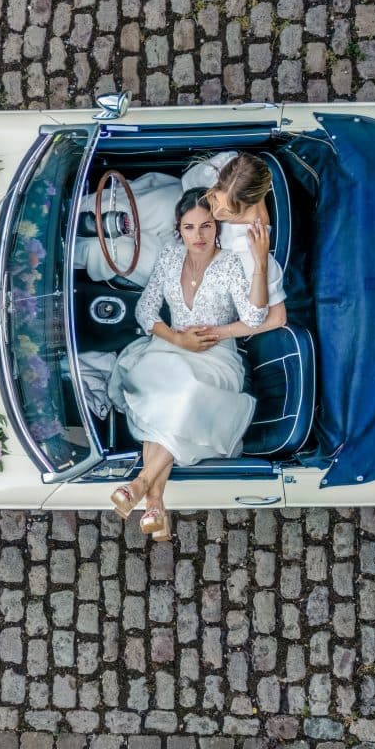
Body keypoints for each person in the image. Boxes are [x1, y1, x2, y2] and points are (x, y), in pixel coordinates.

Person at [105, 187, 272, 540]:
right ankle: (153, 504)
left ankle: (142, 484)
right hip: (168, 349)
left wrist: (259, 261)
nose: (199, 236)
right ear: (178, 230)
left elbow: (255, 316)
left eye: (206, 226)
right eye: (190, 227)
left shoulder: (230, 263)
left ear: (217, 228)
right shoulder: (168, 256)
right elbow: (145, 309)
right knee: (170, 399)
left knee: (186, 395)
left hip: (217, 357)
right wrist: (177, 338)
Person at [182, 151, 288, 332]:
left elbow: (277, 318)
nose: (216, 212)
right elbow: (186, 183)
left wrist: (215, 334)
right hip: (179, 208)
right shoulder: (226, 165)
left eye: (228, 211)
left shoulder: (251, 244)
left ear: (251, 203)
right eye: (215, 198)